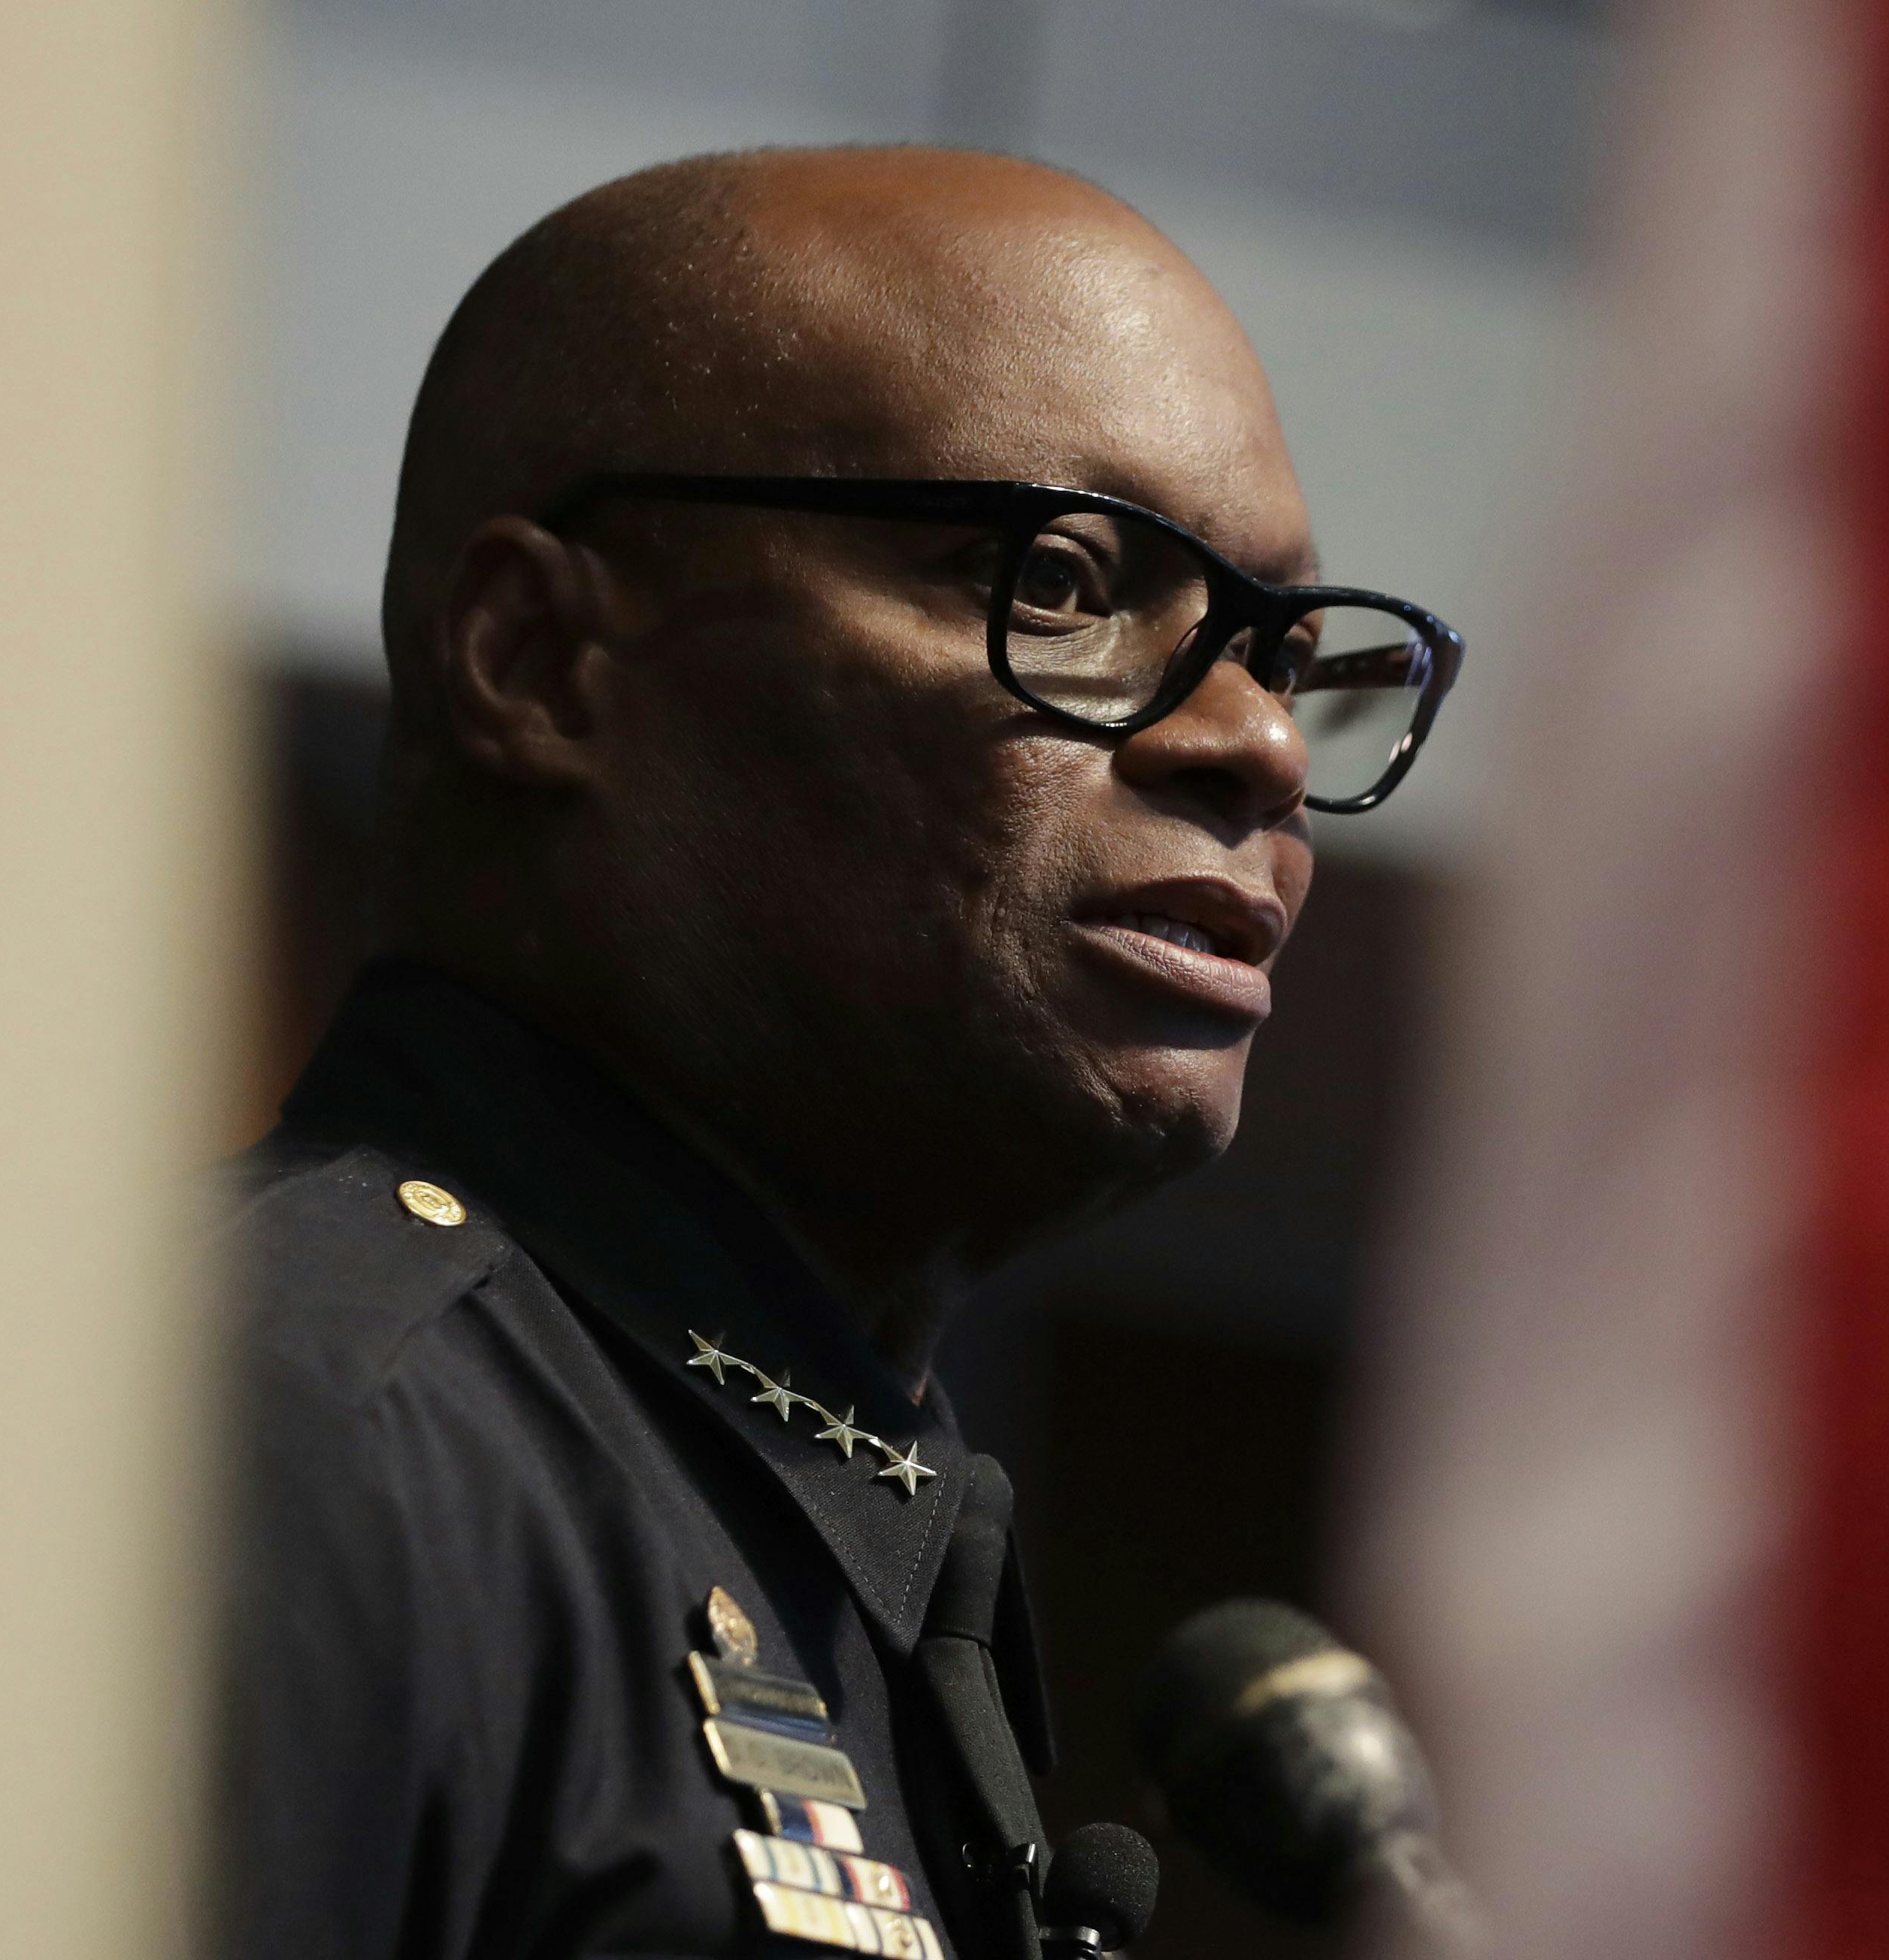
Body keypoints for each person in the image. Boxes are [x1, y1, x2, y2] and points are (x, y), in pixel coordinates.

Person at [213, 145, 1461, 1960]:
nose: (1258, 742)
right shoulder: (289, 1434)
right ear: (541, 657)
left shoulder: (811, 1474)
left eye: (1279, 649)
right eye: (1059, 583)